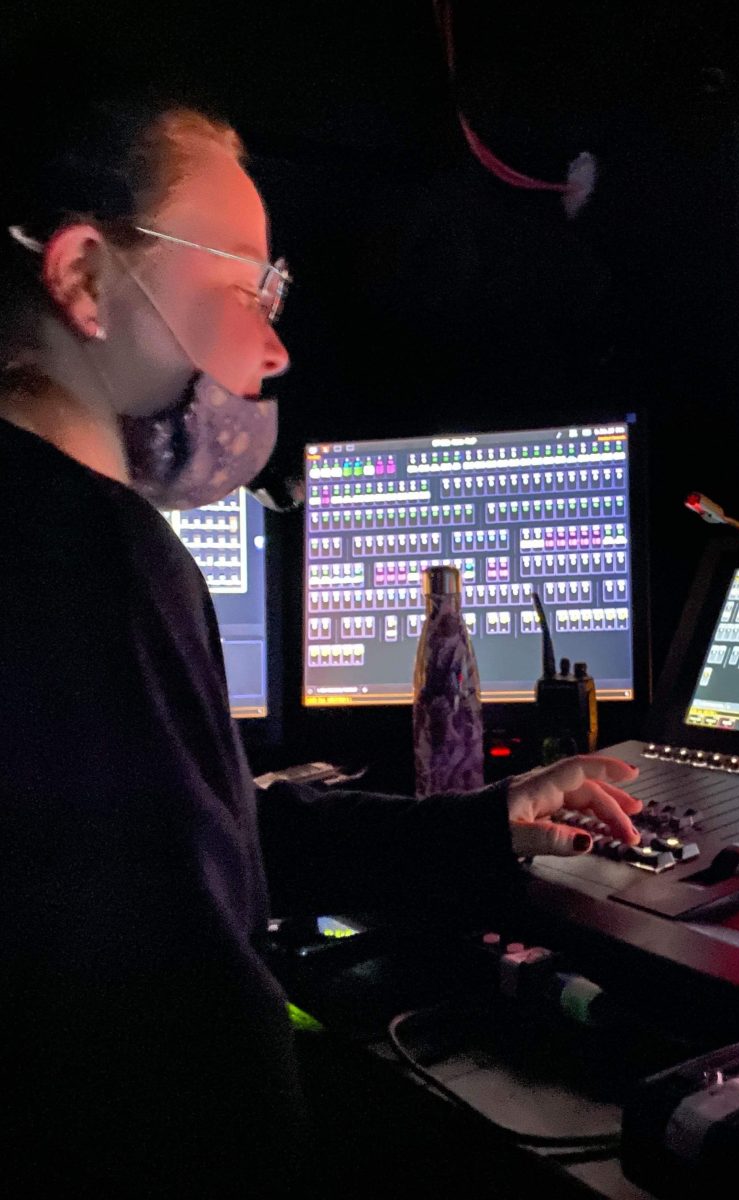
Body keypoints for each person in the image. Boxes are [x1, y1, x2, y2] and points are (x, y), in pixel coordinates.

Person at [0, 101, 641, 1193]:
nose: (276, 340)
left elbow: (198, 840)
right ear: (83, 278)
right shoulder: (87, 552)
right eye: (248, 282)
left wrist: (482, 827)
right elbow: (183, 1033)